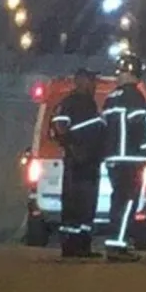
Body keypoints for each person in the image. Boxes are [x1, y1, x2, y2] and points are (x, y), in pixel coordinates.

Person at [101, 53, 146, 262]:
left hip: (113, 159)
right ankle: (118, 244)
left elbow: (105, 127)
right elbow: (140, 127)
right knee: (128, 202)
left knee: (117, 201)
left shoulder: (111, 98)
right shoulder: (135, 97)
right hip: (131, 159)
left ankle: (114, 241)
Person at [49, 68, 106, 258]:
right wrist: (73, 148)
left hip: (91, 162)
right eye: (91, 80)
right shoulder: (70, 103)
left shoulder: (89, 104)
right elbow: (59, 126)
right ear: (80, 81)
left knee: (87, 205)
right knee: (75, 204)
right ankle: (70, 245)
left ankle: (83, 245)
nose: (94, 85)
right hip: (78, 164)